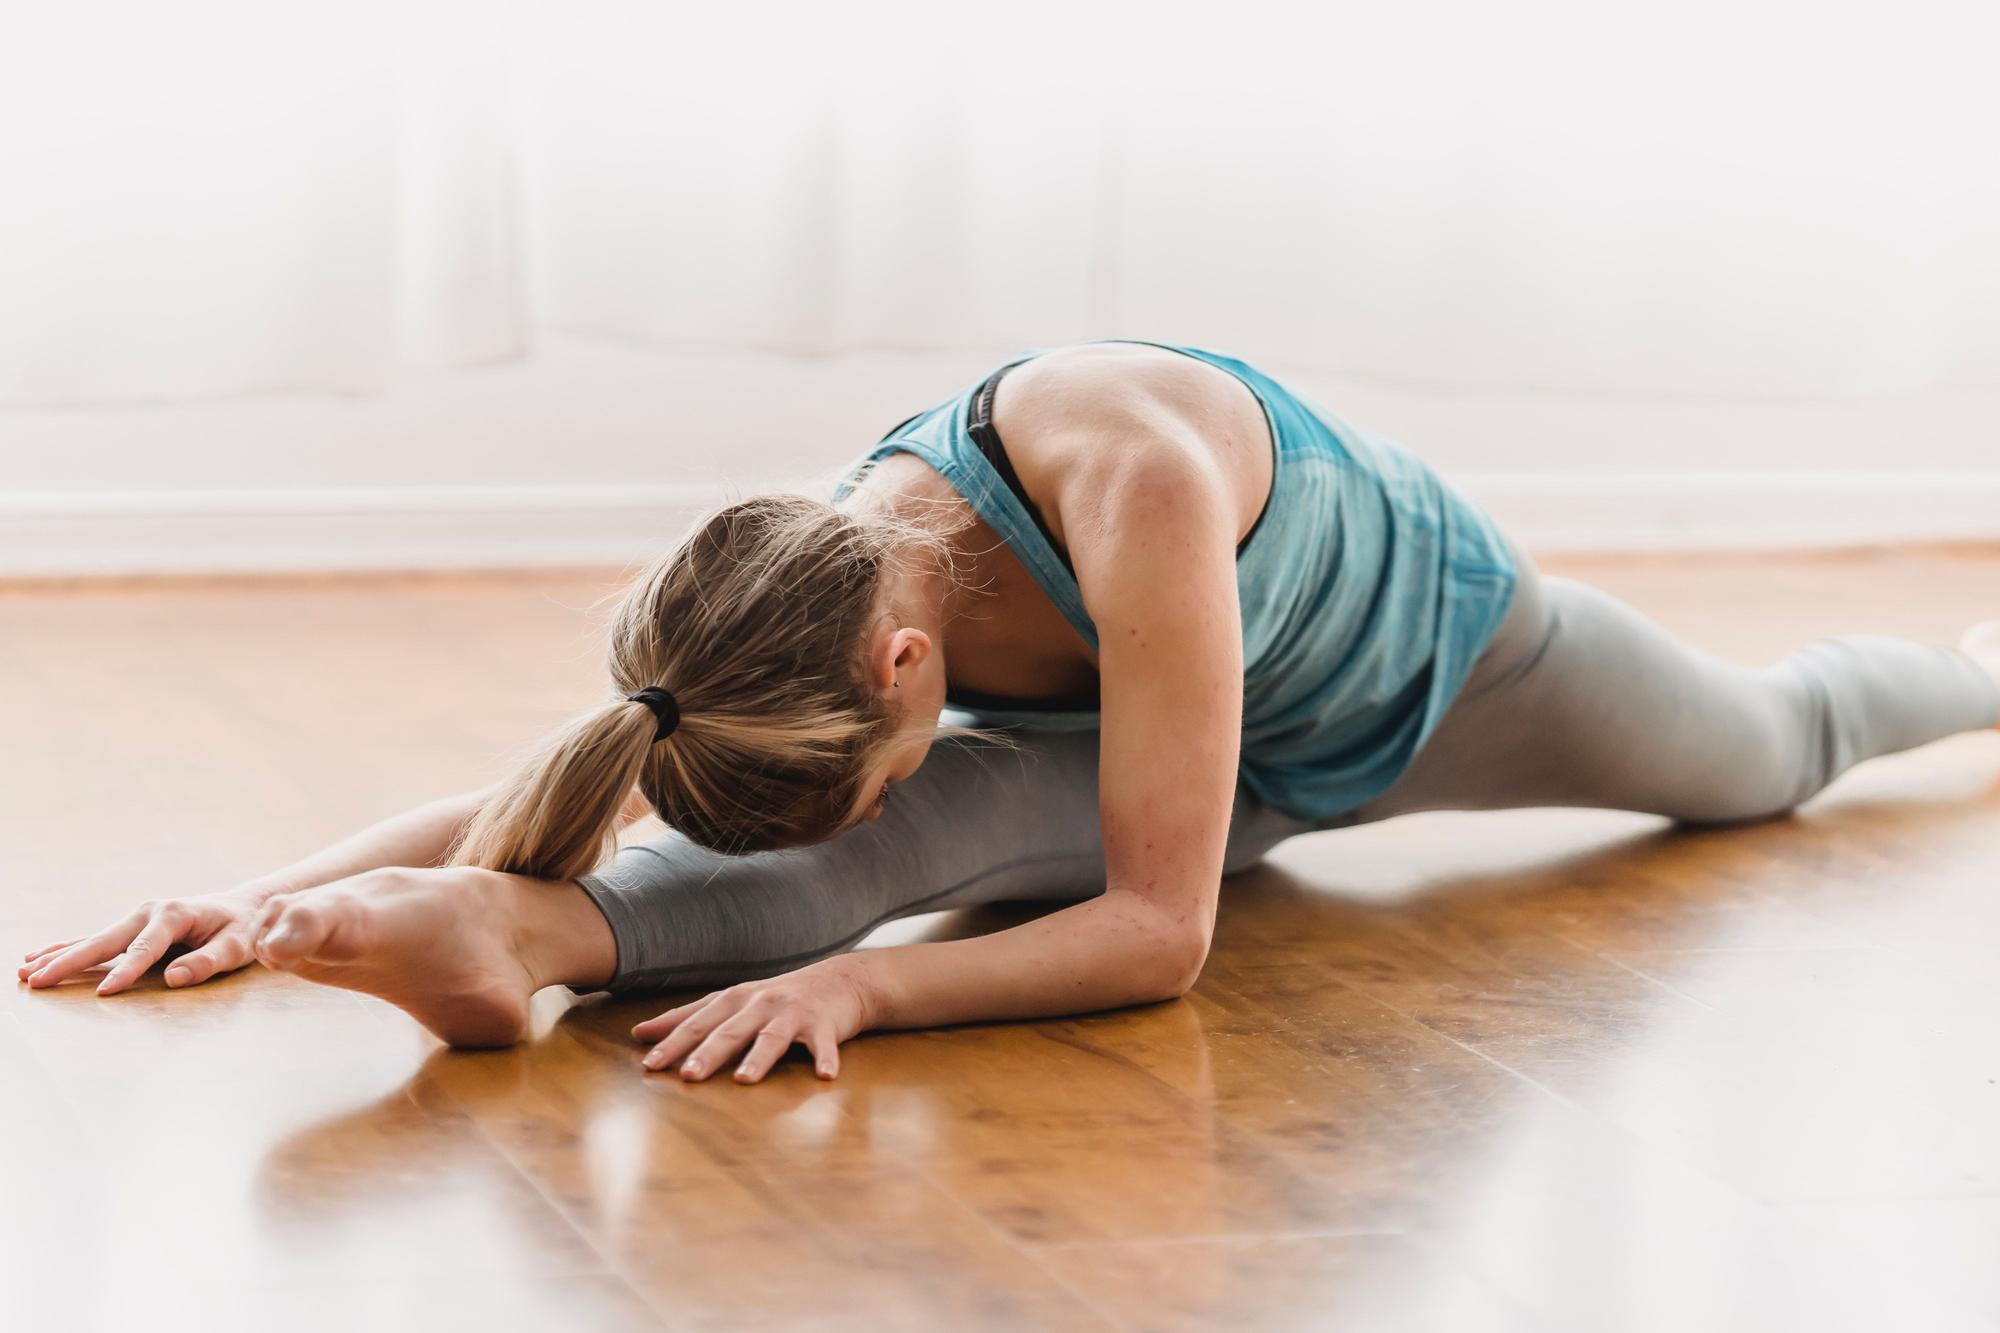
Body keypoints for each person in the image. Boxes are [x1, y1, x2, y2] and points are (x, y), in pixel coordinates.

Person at [20, 341, 2000, 1084]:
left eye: (874, 746)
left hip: (1440, 682)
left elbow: (1162, 933)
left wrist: (860, 994)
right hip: (1160, 752)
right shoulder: (791, 596)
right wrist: (247, 897)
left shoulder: (1127, 489)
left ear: (906, 669)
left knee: (1768, 758)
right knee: (890, 853)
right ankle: (524, 942)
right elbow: (570, 767)